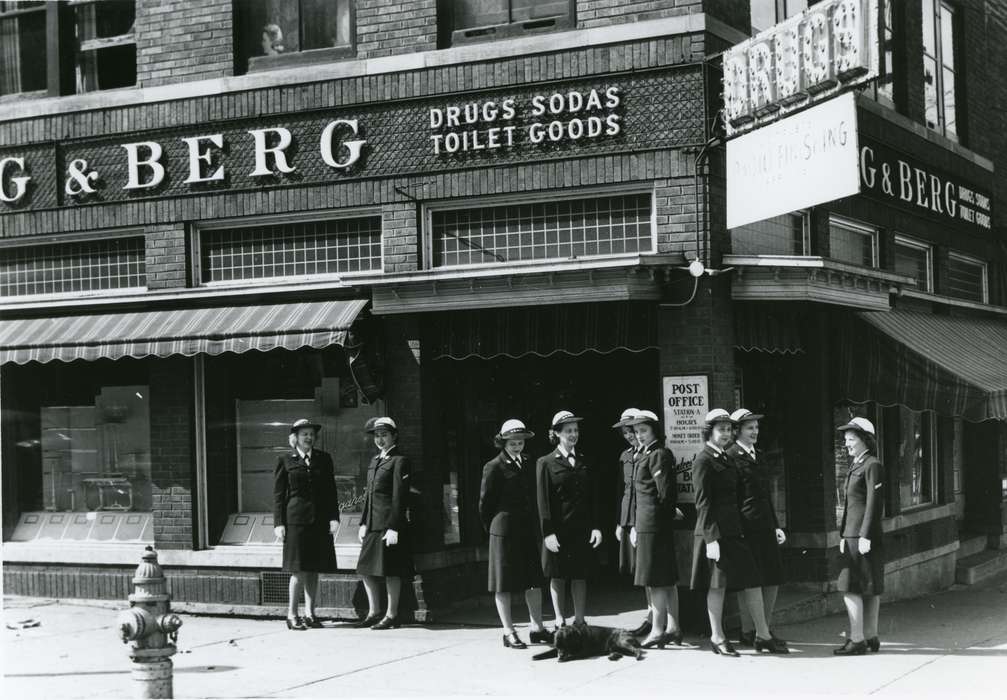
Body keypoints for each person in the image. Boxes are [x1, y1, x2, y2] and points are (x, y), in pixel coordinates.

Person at [690, 409, 787, 656]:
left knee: (753, 580)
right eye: (720, 429)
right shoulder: (703, 460)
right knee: (717, 586)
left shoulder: (724, 458)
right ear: (709, 432)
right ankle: (717, 637)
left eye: (728, 429)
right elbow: (703, 502)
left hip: (734, 531)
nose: (725, 434)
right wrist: (711, 538)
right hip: (716, 534)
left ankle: (763, 635)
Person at [479, 419, 552, 650]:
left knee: (533, 581)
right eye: (512, 442)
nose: (517, 446)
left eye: (520, 442)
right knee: (504, 583)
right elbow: (485, 504)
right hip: (503, 531)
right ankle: (508, 632)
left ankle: (537, 628)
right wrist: (494, 530)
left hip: (527, 530)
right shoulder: (494, 466)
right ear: (503, 442)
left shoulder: (528, 463)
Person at [536, 410, 603, 627]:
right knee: (558, 575)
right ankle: (559, 619)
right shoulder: (545, 462)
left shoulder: (585, 461)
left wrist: (596, 527)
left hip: (581, 529)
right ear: (557, 434)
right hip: (558, 530)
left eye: (575, 430)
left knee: (579, 574)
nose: (573, 434)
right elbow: (543, 501)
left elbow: (593, 498)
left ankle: (580, 620)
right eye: (568, 431)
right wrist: (548, 532)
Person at [273, 418, 340, 630]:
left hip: (319, 521)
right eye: (304, 434)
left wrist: (334, 517)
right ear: (295, 438)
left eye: (311, 434)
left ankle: (311, 613)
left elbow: (330, 491)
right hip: (296, 521)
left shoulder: (324, 459)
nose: (309, 438)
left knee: (314, 569)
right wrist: (278, 522)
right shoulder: (285, 460)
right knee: (298, 570)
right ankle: (292, 615)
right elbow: (278, 495)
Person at [728, 408, 787, 648]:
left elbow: (765, 495)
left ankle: (762, 628)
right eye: (749, 428)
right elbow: (732, 498)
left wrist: (776, 525)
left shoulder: (758, 456)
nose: (755, 432)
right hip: (746, 526)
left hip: (765, 526)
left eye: (756, 427)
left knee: (772, 576)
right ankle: (752, 631)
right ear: (737, 431)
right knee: (750, 580)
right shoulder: (731, 457)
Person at [628, 410, 685, 649]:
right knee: (665, 579)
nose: (640, 436)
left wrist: (666, 515)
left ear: (654, 431)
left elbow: (665, 493)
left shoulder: (659, 454)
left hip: (654, 525)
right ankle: (673, 628)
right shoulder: (645, 454)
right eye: (637, 431)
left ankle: (658, 630)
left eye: (644, 431)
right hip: (648, 523)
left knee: (657, 580)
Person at [356, 416, 413, 630]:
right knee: (366, 569)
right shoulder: (374, 461)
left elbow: (400, 496)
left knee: (391, 570)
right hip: (372, 524)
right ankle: (374, 611)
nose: (380, 439)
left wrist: (394, 527)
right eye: (377, 436)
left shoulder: (400, 460)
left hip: (388, 525)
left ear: (393, 436)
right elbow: (369, 495)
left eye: (384, 435)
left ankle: (392, 614)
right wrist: (363, 522)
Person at [834, 417, 885, 656]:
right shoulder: (857, 464)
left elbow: (874, 504)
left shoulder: (871, 465)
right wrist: (843, 533)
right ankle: (871, 636)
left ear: (865, 439)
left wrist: (864, 535)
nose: (847, 444)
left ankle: (857, 639)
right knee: (867, 585)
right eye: (846, 440)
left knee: (852, 587)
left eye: (851, 439)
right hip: (853, 534)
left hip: (862, 536)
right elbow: (849, 505)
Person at [613, 408, 651, 637]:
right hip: (628, 520)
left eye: (632, 430)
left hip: (643, 520)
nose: (629, 435)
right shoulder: (626, 456)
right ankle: (651, 614)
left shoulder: (648, 454)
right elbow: (622, 491)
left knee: (648, 570)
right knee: (640, 570)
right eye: (626, 432)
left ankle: (653, 616)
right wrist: (620, 522)